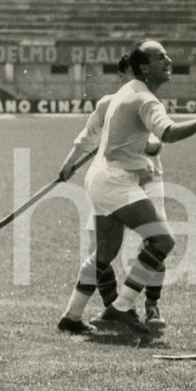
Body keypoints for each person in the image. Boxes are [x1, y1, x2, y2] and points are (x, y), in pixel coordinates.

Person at [84, 39, 196, 336]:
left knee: (104, 252)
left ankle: (75, 315)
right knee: (162, 241)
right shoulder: (144, 98)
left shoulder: (127, 91)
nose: (169, 61)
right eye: (161, 58)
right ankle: (120, 307)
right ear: (144, 67)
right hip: (117, 178)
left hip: (106, 177)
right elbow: (168, 133)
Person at [56, 52, 167, 332]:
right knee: (103, 249)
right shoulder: (109, 103)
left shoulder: (144, 100)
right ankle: (111, 308)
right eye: (125, 75)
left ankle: (150, 307)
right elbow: (87, 137)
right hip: (114, 180)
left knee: (156, 243)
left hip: (147, 179)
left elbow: (156, 144)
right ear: (122, 75)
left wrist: (129, 141)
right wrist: (68, 164)